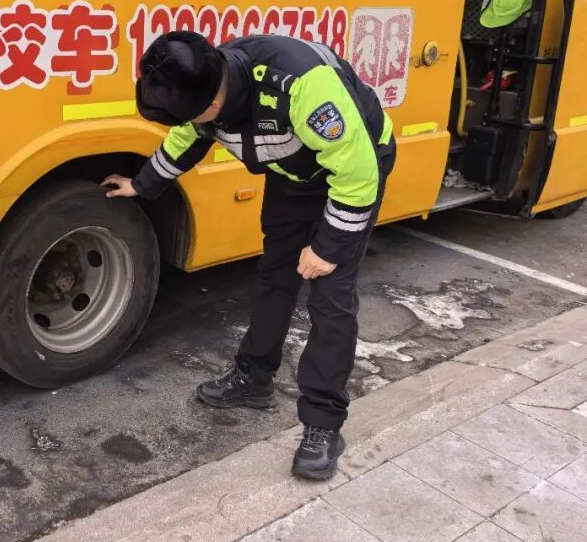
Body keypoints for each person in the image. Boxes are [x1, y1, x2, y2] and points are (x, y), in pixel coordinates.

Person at [103, 31, 395, 480]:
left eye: (194, 115)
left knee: (329, 298)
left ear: (213, 100)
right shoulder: (206, 86)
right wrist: (141, 185)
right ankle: (253, 378)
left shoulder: (301, 84)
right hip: (292, 175)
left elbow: (356, 173)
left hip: (355, 170)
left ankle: (323, 424)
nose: (191, 123)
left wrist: (328, 247)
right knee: (275, 276)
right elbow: (187, 138)